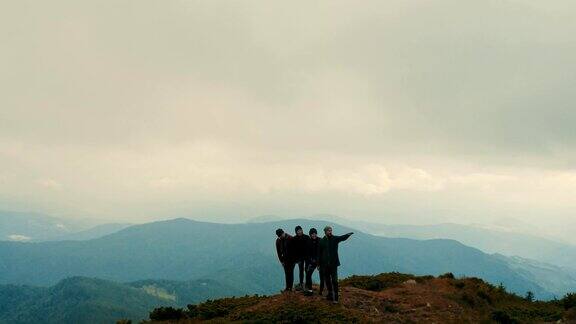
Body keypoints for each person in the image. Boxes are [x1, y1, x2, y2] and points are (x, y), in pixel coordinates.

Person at [318, 226, 353, 303]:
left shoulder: (334, 239)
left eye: (331, 230)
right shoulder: (322, 241)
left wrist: (348, 235)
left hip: (333, 264)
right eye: (328, 231)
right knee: (327, 280)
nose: (330, 232)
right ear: (325, 232)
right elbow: (319, 254)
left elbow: (342, 238)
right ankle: (330, 294)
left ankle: (336, 297)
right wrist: (319, 264)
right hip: (325, 265)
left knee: (334, 280)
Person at [305, 227, 323, 294]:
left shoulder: (320, 240)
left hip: (320, 261)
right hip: (312, 262)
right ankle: (310, 290)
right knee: (308, 275)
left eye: (315, 233)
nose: (314, 235)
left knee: (322, 276)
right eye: (312, 234)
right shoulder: (308, 242)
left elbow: (323, 251)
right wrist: (310, 261)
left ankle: (321, 290)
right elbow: (307, 253)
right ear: (310, 234)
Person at [291, 225, 310, 290]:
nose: (299, 232)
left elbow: (310, 247)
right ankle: (301, 283)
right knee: (301, 270)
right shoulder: (294, 239)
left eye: (300, 230)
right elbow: (293, 250)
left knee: (307, 270)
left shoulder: (307, 237)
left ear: (302, 230)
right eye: (298, 231)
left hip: (307, 257)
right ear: (296, 232)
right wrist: (295, 259)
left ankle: (307, 283)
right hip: (299, 258)